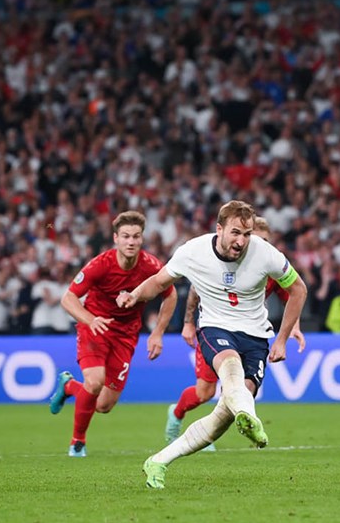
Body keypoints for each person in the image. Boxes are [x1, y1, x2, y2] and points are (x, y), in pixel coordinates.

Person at [116, 200, 307, 489]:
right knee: (229, 368)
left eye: (247, 234)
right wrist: (135, 294)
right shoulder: (193, 252)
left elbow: (298, 289)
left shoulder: (266, 253)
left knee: (223, 417)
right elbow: (159, 281)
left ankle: (158, 461)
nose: (241, 241)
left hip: (256, 335)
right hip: (215, 327)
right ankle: (250, 415)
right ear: (219, 229)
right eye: (235, 233)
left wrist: (281, 338)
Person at [165, 216, 306, 449]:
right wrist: (189, 322)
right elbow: (195, 290)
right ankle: (177, 413)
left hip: (248, 333)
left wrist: (294, 328)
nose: (256, 246)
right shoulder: (224, 262)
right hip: (216, 326)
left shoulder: (269, 269)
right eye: (256, 240)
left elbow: (292, 295)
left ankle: (206, 430)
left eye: (264, 241)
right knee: (205, 391)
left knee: (233, 386)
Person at [49, 211, 177, 458]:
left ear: (142, 239)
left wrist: (157, 334)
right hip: (95, 326)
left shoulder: (151, 266)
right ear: (116, 238)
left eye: (136, 237)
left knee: (103, 405)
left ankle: (69, 387)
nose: (131, 241)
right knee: (95, 382)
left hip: (126, 335)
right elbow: (68, 298)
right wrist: (90, 319)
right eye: (126, 236)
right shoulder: (100, 265)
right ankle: (78, 442)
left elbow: (170, 295)